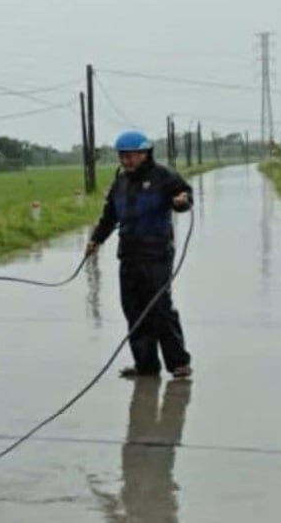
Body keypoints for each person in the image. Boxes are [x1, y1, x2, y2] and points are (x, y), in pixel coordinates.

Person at [85, 131, 194, 379]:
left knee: (159, 307)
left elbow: (184, 195)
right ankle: (145, 365)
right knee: (133, 309)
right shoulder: (120, 183)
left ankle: (178, 363)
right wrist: (96, 239)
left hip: (157, 253)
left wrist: (181, 201)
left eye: (131, 156)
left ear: (145, 154)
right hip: (129, 253)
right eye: (122, 156)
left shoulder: (163, 177)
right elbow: (109, 217)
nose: (126, 161)